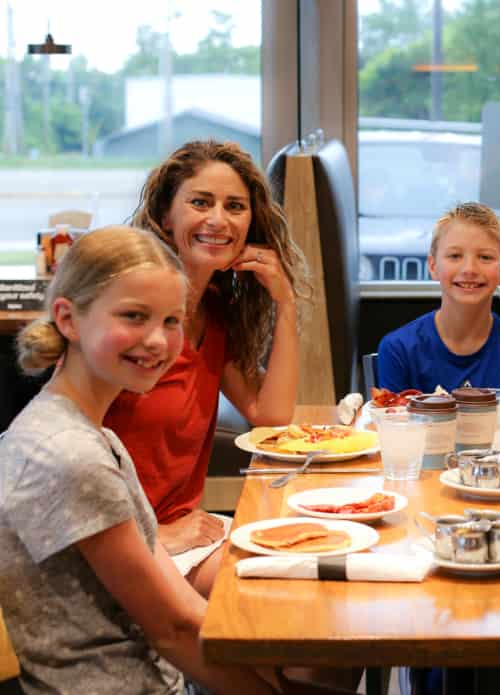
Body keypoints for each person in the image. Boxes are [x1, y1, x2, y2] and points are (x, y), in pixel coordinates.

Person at [0, 226, 277, 694]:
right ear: (68, 319)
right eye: (134, 316)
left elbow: (183, 609)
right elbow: (171, 630)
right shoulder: (72, 455)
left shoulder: (90, 431)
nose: (157, 341)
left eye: (171, 321)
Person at [103, 140, 310, 598]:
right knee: (296, 608)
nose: (218, 219)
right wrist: (153, 534)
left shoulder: (212, 311)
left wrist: (286, 302)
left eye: (234, 206)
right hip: (119, 544)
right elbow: (68, 451)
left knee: (318, 601)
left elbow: (269, 414)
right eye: (200, 202)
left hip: (186, 535)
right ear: (164, 216)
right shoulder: (125, 316)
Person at [377, 201, 500, 405]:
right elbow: (395, 430)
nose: (469, 269)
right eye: (455, 256)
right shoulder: (398, 350)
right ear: (433, 265)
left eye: (485, 257)